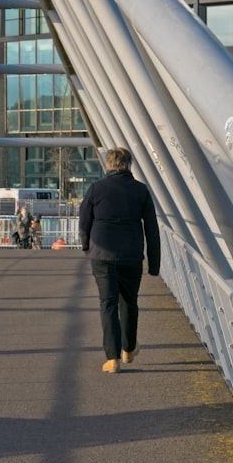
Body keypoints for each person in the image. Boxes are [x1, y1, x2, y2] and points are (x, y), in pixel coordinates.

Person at [79, 147, 160, 374]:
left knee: (108, 303)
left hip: (102, 255)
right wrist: (154, 264)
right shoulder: (140, 190)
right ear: (129, 164)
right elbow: (152, 229)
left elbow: (84, 221)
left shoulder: (96, 189)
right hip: (131, 255)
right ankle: (129, 349)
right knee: (129, 302)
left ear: (108, 165)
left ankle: (112, 359)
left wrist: (86, 245)